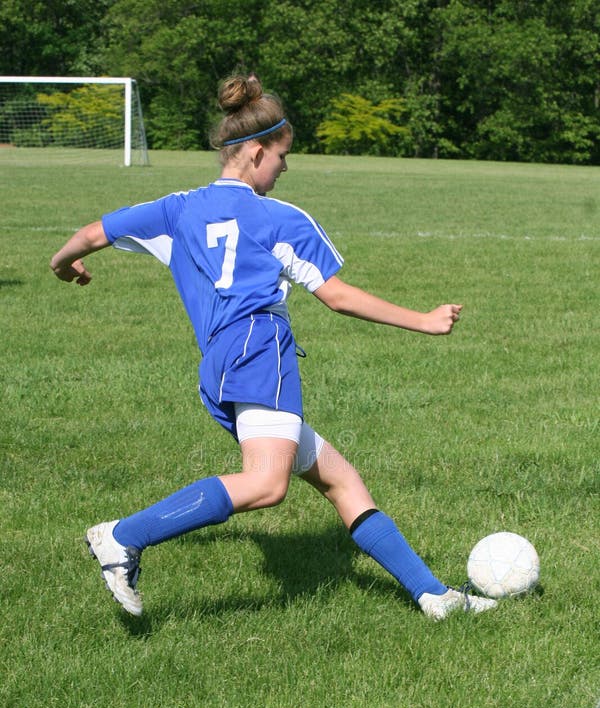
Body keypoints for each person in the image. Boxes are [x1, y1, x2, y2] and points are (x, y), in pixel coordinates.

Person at [50, 73, 497, 622]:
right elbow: (337, 296)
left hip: (218, 363)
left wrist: (61, 264)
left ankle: (434, 596)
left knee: (341, 479)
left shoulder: (178, 208)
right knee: (266, 484)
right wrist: (424, 321)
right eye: (283, 156)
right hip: (261, 351)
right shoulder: (281, 219)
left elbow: (91, 233)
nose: (286, 167)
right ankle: (122, 537)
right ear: (257, 151)